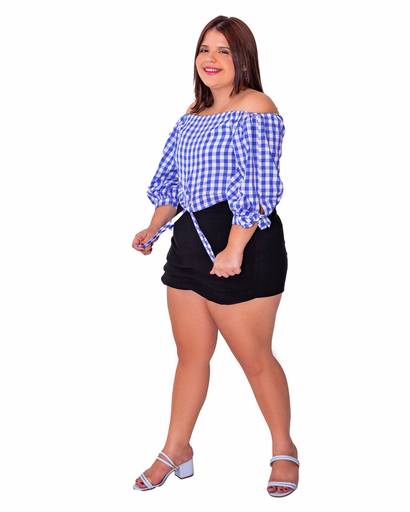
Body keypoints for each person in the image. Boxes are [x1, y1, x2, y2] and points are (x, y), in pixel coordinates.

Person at [131, 15, 300, 497]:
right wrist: (153, 226)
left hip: (244, 242)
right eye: (205, 49)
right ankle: (177, 447)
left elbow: (259, 185)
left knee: (255, 358)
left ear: (243, 58)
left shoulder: (256, 107)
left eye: (224, 50)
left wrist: (234, 247)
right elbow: (172, 180)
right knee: (191, 356)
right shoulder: (193, 114)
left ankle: (284, 447)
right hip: (189, 245)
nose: (211, 59)